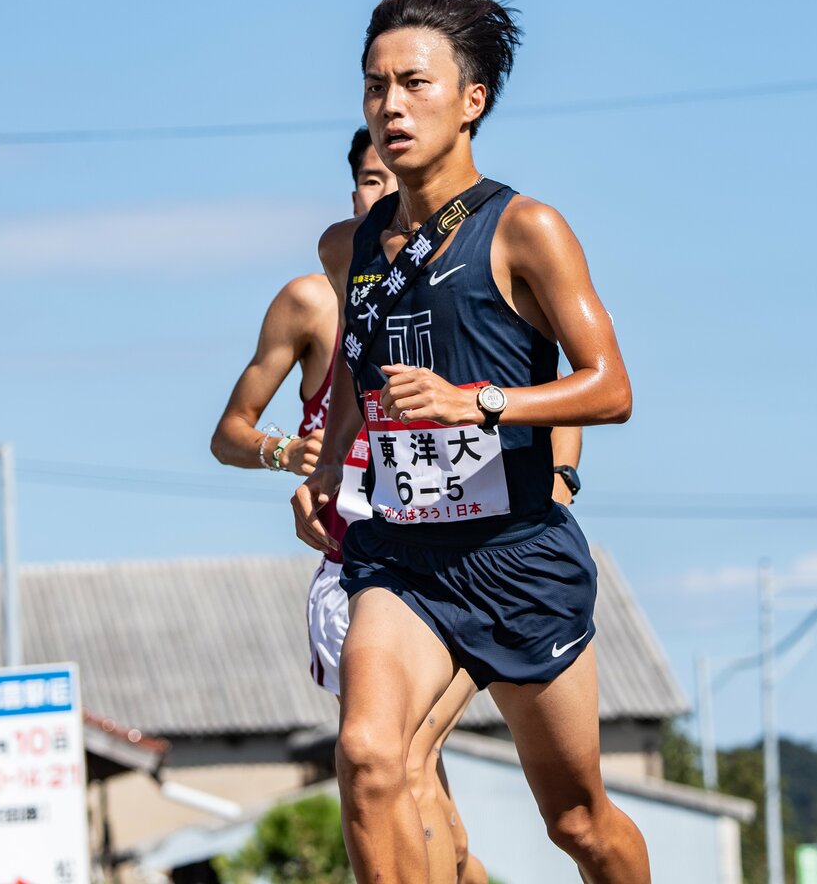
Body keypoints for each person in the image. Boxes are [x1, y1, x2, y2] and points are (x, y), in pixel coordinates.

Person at [291, 0, 648, 883]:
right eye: (376, 86)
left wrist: (480, 402)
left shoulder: (525, 228)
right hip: (402, 556)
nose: (391, 106)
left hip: (519, 555)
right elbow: (352, 383)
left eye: (415, 83)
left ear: (472, 99)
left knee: (577, 822)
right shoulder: (351, 248)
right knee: (371, 761)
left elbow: (610, 390)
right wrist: (329, 470)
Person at [215, 128, 582, 881]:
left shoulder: (490, 254)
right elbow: (233, 431)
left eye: (395, 181)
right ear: (352, 191)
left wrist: (558, 480)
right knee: (391, 768)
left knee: (571, 820)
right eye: (369, 182)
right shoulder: (325, 290)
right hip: (377, 559)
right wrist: (296, 457)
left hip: (503, 552)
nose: (384, 196)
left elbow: (564, 381)